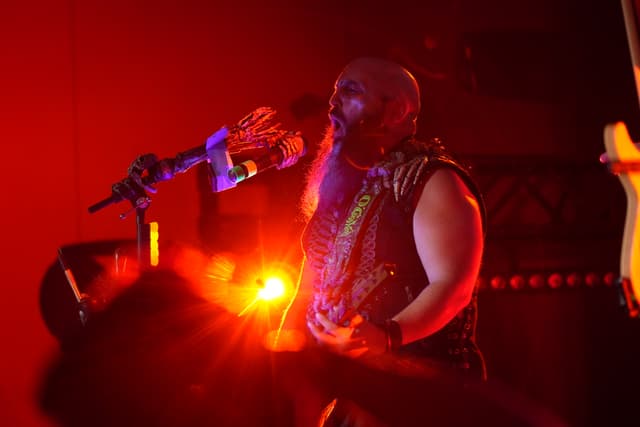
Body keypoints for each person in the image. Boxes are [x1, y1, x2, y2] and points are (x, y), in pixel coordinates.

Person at [281, 56, 487, 423]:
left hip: (420, 395)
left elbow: (453, 286)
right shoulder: (338, 190)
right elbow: (305, 289)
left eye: (351, 91)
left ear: (396, 109)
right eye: (335, 92)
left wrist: (386, 336)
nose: (333, 103)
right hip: (348, 395)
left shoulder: (431, 180)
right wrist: (282, 365)